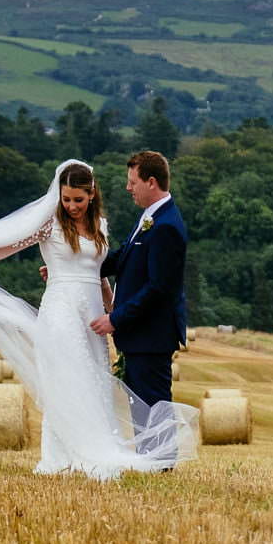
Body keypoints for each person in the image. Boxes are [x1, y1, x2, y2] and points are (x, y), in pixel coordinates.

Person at [0, 159, 189, 477]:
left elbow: (98, 270)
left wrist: (113, 309)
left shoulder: (101, 223)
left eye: (78, 200)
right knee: (67, 380)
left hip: (93, 314)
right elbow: (3, 247)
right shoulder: (49, 225)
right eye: (66, 199)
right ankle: (62, 457)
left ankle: (103, 454)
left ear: (92, 194)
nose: (71, 206)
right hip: (61, 311)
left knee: (93, 380)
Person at [91, 150, 186, 455]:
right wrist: (78, 266)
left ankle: (160, 463)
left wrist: (115, 319)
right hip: (140, 334)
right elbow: (123, 258)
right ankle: (150, 460)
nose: (128, 188)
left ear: (152, 182)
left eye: (133, 182)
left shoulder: (166, 225)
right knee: (141, 402)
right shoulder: (151, 217)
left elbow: (159, 288)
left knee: (153, 401)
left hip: (151, 334)